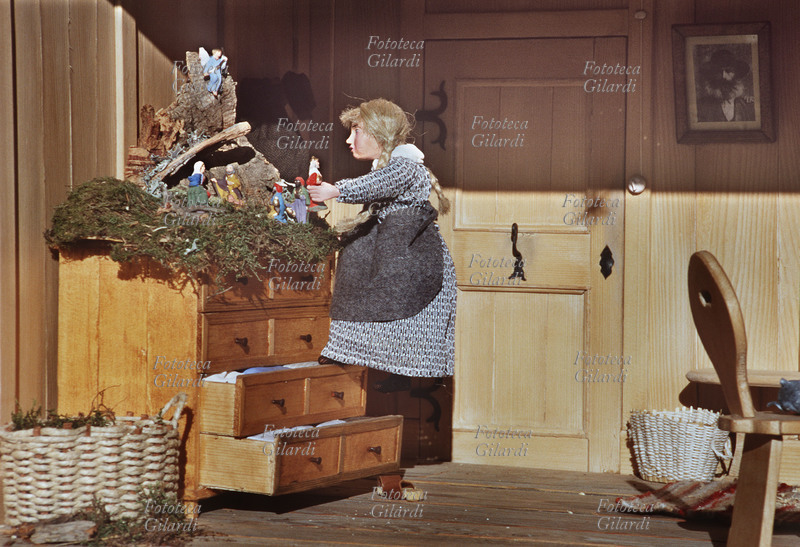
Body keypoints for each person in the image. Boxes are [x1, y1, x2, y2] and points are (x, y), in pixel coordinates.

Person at [308, 98, 456, 391]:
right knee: (357, 285)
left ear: (379, 133)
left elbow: (382, 183)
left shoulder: (406, 167)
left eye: (357, 131)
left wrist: (336, 190)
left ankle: (402, 370)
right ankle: (345, 351)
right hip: (388, 249)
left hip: (409, 256)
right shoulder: (388, 167)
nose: (349, 140)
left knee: (403, 312)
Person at [696, 48, 755, 123]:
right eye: (719, 72)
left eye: (728, 71)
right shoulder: (701, 106)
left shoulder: (747, 105)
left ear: (736, 74)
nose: (723, 76)